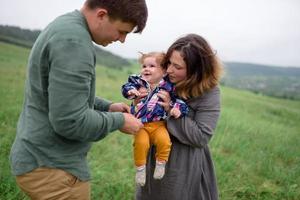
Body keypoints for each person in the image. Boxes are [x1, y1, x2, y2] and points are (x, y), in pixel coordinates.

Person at [9, 0, 148, 199]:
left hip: (41, 157)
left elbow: (64, 96)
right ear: (101, 15)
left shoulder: (66, 27)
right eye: (121, 31)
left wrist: (107, 107)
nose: (122, 40)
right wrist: (119, 121)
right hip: (53, 168)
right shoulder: (74, 43)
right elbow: (70, 121)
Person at [135, 34, 223, 200]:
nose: (169, 70)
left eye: (177, 67)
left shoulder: (210, 92)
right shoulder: (164, 80)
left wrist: (169, 109)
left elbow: (201, 137)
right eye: (168, 63)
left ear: (197, 71)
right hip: (155, 157)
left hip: (184, 165)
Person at [121, 52, 188, 187]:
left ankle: (161, 163)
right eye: (144, 66)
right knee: (141, 143)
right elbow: (126, 87)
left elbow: (179, 100)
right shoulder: (138, 81)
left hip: (159, 124)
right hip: (140, 123)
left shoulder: (168, 87)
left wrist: (176, 109)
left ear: (163, 71)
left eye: (152, 66)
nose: (146, 69)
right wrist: (131, 92)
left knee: (164, 141)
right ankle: (140, 169)